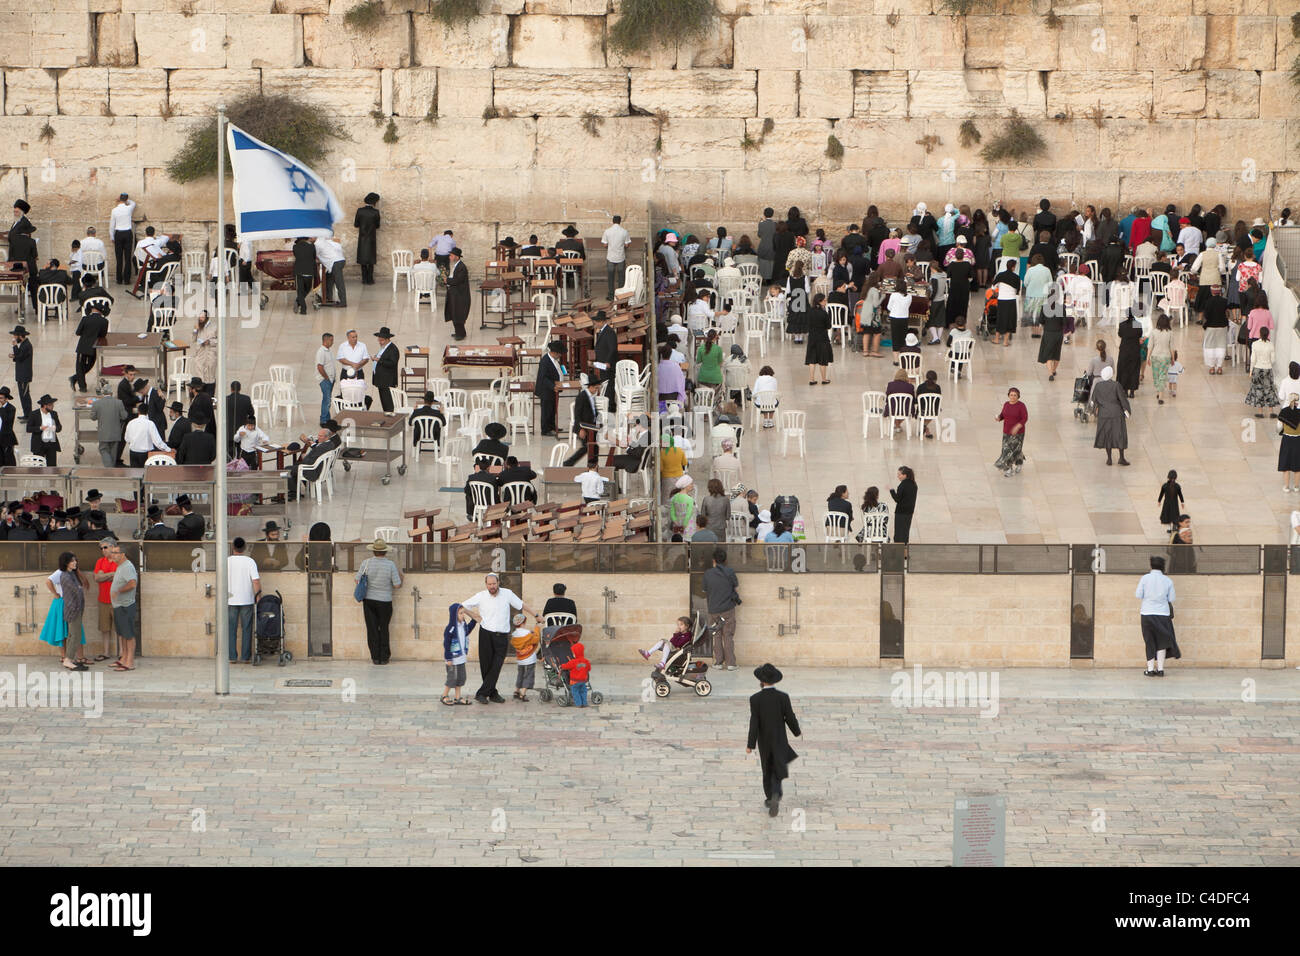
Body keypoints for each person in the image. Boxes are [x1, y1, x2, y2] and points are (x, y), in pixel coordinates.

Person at [461, 573, 537, 704]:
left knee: (497, 665)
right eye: (489, 584)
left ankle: (481, 693)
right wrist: (474, 616)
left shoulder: (507, 593)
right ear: (486, 585)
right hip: (485, 633)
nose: (492, 586)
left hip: (501, 635)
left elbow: (521, 605)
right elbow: (462, 606)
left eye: (494, 584)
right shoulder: (481, 596)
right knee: (486, 666)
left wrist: (536, 615)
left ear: (498, 583)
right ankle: (492, 693)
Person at [747, 662, 801, 817]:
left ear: (761, 681)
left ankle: (770, 797)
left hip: (764, 741)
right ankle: (776, 793)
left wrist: (750, 744)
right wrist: (796, 732)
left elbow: (754, 723)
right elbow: (789, 717)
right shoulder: (782, 697)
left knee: (767, 768)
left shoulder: (755, 699)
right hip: (779, 739)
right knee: (778, 767)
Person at [355, 537, 402, 665]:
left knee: (372, 629)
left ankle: (375, 657)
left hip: (369, 601)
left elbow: (357, 580)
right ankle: (384, 657)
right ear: (385, 551)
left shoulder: (366, 563)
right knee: (384, 628)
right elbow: (397, 585)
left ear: (373, 551)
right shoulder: (390, 565)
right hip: (385, 601)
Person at [39, 552, 90, 670]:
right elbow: (74, 592)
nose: (75, 562)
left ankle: (69, 659)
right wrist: (56, 594)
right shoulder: (65, 576)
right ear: (66, 563)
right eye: (72, 561)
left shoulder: (70, 574)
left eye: (75, 560)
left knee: (74, 634)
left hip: (76, 609)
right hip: (72, 609)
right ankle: (68, 660)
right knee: (75, 635)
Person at [1136, 556, 1180, 677]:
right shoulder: (1168, 581)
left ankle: (1150, 669)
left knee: (1149, 641)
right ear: (1162, 566)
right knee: (1162, 642)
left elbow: (1138, 594)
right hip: (1163, 615)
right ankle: (1160, 669)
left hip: (1147, 613)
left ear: (1151, 565)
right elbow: (1171, 598)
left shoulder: (1145, 578)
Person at [702, 548, 740, 671]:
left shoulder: (707, 573)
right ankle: (731, 664)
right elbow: (736, 588)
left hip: (713, 610)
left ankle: (718, 662)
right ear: (725, 560)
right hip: (728, 609)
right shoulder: (730, 572)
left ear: (714, 560)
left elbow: (704, 591)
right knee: (728, 635)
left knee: (716, 636)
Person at [225, 537, 261, 664]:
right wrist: (258, 596)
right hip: (247, 599)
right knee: (247, 628)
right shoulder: (250, 561)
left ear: (233, 547)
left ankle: (232, 657)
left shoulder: (227, 561)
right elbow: (255, 581)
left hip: (230, 600)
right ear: (244, 548)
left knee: (231, 628)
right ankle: (245, 657)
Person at [1091, 366, 1132, 466]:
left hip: (1103, 415)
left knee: (1107, 436)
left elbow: (1093, 400)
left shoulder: (1098, 386)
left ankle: (1109, 459)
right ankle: (1121, 458)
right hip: (1116, 414)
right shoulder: (1116, 385)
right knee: (1120, 435)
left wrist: (1094, 411)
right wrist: (1127, 410)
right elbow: (1122, 399)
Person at [109, 540, 138, 671]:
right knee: (123, 634)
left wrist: (119, 591)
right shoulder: (120, 566)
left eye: (115, 553)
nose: (112, 555)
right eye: (112, 552)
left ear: (123, 554)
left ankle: (130, 662)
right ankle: (124, 658)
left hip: (126, 606)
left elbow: (132, 584)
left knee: (129, 635)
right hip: (119, 606)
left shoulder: (127, 566)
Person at [562, 375, 602, 468]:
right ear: (590, 387)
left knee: (594, 446)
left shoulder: (591, 397)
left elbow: (593, 412)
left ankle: (594, 465)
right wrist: (580, 429)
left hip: (591, 427)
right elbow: (577, 415)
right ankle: (568, 463)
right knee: (587, 447)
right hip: (584, 427)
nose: (597, 390)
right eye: (596, 388)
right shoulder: (582, 397)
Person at [442, 603, 475, 706]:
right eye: (460, 613)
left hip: (461, 658)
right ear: (454, 615)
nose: (463, 615)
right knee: (452, 678)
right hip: (452, 659)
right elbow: (446, 644)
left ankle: (457, 697)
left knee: (461, 678)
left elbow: (468, 630)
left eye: (463, 613)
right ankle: (444, 696)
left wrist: (474, 620)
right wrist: (448, 658)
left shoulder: (463, 626)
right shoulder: (450, 629)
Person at [91, 538, 118, 663]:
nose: (103, 550)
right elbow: (97, 577)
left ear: (113, 547)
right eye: (101, 548)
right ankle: (106, 652)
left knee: (120, 629)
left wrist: (104, 575)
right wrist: (111, 574)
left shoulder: (120, 560)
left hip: (117, 600)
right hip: (103, 600)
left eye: (105, 547)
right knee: (104, 628)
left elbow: (119, 578)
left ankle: (122, 653)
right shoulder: (100, 561)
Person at [1245, 326, 1280, 418]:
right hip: (1268, 369)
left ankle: (1260, 412)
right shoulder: (1270, 345)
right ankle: (1271, 411)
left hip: (1257, 368)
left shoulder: (1255, 344)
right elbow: (1273, 359)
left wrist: (1251, 371)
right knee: (1269, 389)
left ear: (1259, 334)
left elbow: (1253, 359)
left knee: (1258, 389)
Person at [535, 341, 566, 436]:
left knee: (553, 409)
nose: (560, 355)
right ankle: (545, 429)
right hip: (547, 390)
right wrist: (553, 386)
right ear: (555, 352)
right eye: (560, 353)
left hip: (554, 389)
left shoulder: (554, 360)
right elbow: (543, 377)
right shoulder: (545, 361)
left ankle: (552, 426)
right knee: (546, 410)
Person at [510, 612, 541, 702]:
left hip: (520, 659)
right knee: (528, 675)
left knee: (520, 674)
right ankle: (523, 693)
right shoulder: (528, 633)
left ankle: (516, 691)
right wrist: (537, 628)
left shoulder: (514, 635)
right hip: (529, 659)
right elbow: (536, 639)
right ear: (523, 623)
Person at [804, 292, 834, 385]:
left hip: (812, 337)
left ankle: (812, 379)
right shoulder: (824, 313)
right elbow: (828, 326)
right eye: (824, 300)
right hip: (822, 338)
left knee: (812, 359)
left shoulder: (809, 311)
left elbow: (807, 324)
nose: (826, 302)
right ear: (820, 302)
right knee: (822, 359)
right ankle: (824, 379)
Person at [353, 192, 380, 284]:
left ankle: (364, 279)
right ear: (374, 202)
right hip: (372, 239)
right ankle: (370, 279)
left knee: (363, 259)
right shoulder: (376, 212)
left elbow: (356, 224)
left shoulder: (360, 211)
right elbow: (377, 225)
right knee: (371, 260)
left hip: (362, 238)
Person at [1200, 288, 1229, 374]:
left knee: (1210, 347)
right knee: (1221, 346)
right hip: (1222, 326)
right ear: (1220, 292)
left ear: (1212, 291)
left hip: (1210, 327)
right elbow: (1227, 314)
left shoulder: (1208, 301)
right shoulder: (1225, 301)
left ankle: (1212, 367)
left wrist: (1204, 325)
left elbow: (1206, 315)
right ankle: (1219, 367)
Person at [444, 247, 471, 340]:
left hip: (460, 296)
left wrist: (447, 280)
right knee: (454, 313)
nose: (449, 257)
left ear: (456, 257)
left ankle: (461, 334)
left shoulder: (461, 267)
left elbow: (457, 280)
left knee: (458, 315)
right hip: (455, 295)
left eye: (451, 256)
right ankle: (458, 332)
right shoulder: (456, 266)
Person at [27, 393, 61, 465]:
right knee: (38, 466)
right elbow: (28, 428)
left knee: (52, 465)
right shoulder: (34, 414)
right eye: (50, 405)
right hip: (39, 444)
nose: (52, 406)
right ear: (45, 405)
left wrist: (55, 428)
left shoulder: (54, 414)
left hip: (51, 443)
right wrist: (40, 428)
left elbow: (59, 427)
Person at [991, 261, 1020, 347]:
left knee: (1000, 318)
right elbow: (1017, 291)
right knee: (1010, 320)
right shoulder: (1016, 277)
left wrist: (996, 294)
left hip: (1001, 299)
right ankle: (1005, 341)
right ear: (1013, 267)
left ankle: (996, 339)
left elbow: (993, 287)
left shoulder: (1000, 275)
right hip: (1011, 300)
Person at [372, 326, 400, 413]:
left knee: (388, 403)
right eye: (379, 340)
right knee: (384, 402)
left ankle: (389, 418)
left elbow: (392, 363)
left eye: (381, 340)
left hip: (387, 381)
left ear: (387, 339)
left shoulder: (393, 349)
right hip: (381, 381)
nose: (379, 342)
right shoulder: (384, 348)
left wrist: (379, 360)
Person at [314, 233, 347, 307]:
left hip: (335, 262)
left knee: (339, 282)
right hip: (338, 261)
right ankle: (328, 298)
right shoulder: (324, 241)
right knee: (329, 278)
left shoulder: (317, 244)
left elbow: (315, 256)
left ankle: (343, 302)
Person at [601, 214, 630, 293]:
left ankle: (611, 294)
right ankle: (620, 295)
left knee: (610, 277)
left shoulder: (607, 231)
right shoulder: (624, 231)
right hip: (621, 257)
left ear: (612, 221)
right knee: (621, 276)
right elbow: (627, 245)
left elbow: (605, 245)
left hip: (610, 257)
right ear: (620, 222)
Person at [1116, 311, 1143, 398]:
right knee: (1134, 370)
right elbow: (1140, 334)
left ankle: (1124, 390)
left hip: (1124, 350)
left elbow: (1120, 334)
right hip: (1135, 350)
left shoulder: (1122, 324)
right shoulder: (1137, 324)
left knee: (1124, 369)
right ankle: (1132, 391)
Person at [559, 640, 593, 707]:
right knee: (583, 692)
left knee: (575, 692)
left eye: (573, 653)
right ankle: (585, 703)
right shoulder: (586, 661)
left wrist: (561, 666)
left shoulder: (573, 662)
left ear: (575, 653)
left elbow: (566, 666)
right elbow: (589, 668)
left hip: (574, 681)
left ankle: (578, 704)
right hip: (583, 680)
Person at [11, 325, 33, 421]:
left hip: (24, 375)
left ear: (20, 336)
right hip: (21, 375)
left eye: (16, 336)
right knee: (22, 395)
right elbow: (20, 356)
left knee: (25, 396)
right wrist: (14, 355)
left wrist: (15, 346)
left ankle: (28, 416)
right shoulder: (25, 345)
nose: (14, 338)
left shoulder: (26, 345)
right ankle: (26, 414)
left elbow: (19, 356)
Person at [890, 466, 917, 543]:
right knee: (905, 533)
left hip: (900, 513)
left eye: (899, 474)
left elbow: (897, 499)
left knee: (898, 534)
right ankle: (905, 553)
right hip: (909, 513)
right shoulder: (914, 485)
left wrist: (891, 490)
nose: (898, 476)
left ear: (905, 475)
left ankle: (898, 553)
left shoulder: (902, 485)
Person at [315, 332, 336, 426]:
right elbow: (320, 367)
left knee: (328, 399)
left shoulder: (328, 351)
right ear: (326, 340)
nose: (332, 342)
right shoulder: (321, 352)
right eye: (331, 340)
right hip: (325, 380)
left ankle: (327, 419)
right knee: (326, 400)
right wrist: (326, 378)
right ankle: (323, 420)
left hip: (330, 379)